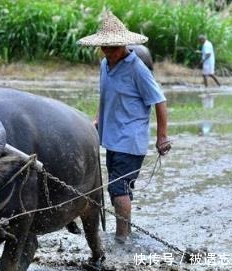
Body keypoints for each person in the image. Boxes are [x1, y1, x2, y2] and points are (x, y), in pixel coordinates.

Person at [76, 11, 171, 244]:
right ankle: (124, 234)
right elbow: (106, 97)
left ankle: (121, 238)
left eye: (114, 47)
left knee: (118, 188)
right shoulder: (104, 65)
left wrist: (162, 137)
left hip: (130, 139)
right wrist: (97, 119)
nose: (109, 51)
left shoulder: (137, 68)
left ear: (124, 44)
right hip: (111, 137)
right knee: (119, 188)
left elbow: (159, 100)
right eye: (105, 47)